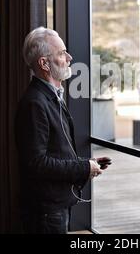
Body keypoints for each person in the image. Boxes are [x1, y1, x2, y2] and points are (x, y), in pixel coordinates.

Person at [15, 27, 111, 234]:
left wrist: (86, 164)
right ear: (44, 63)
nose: (69, 57)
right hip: (46, 211)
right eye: (61, 53)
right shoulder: (35, 103)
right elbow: (36, 163)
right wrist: (83, 169)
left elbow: (56, 149)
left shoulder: (51, 95)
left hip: (54, 205)